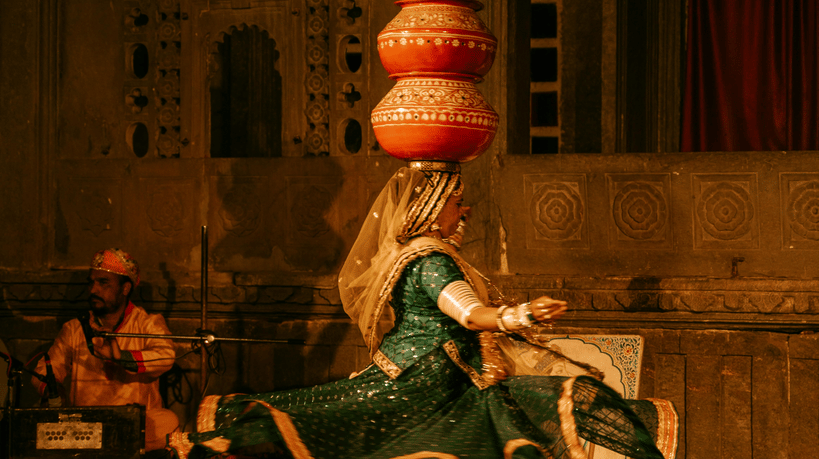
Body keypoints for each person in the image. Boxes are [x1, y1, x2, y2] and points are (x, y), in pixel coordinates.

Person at [168, 166, 676, 459]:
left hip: (434, 374)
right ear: (430, 209)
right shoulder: (430, 260)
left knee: (567, 400)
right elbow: (472, 316)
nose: (465, 210)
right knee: (549, 412)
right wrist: (520, 315)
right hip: (429, 381)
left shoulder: (429, 254)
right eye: (457, 201)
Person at [33, 248, 178, 452]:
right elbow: (44, 370)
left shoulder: (148, 324)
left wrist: (122, 357)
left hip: (134, 427)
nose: (93, 290)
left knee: (167, 421)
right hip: (86, 429)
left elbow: (166, 357)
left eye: (103, 283)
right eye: (91, 282)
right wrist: (54, 390)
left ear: (125, 288)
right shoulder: (75, 329)